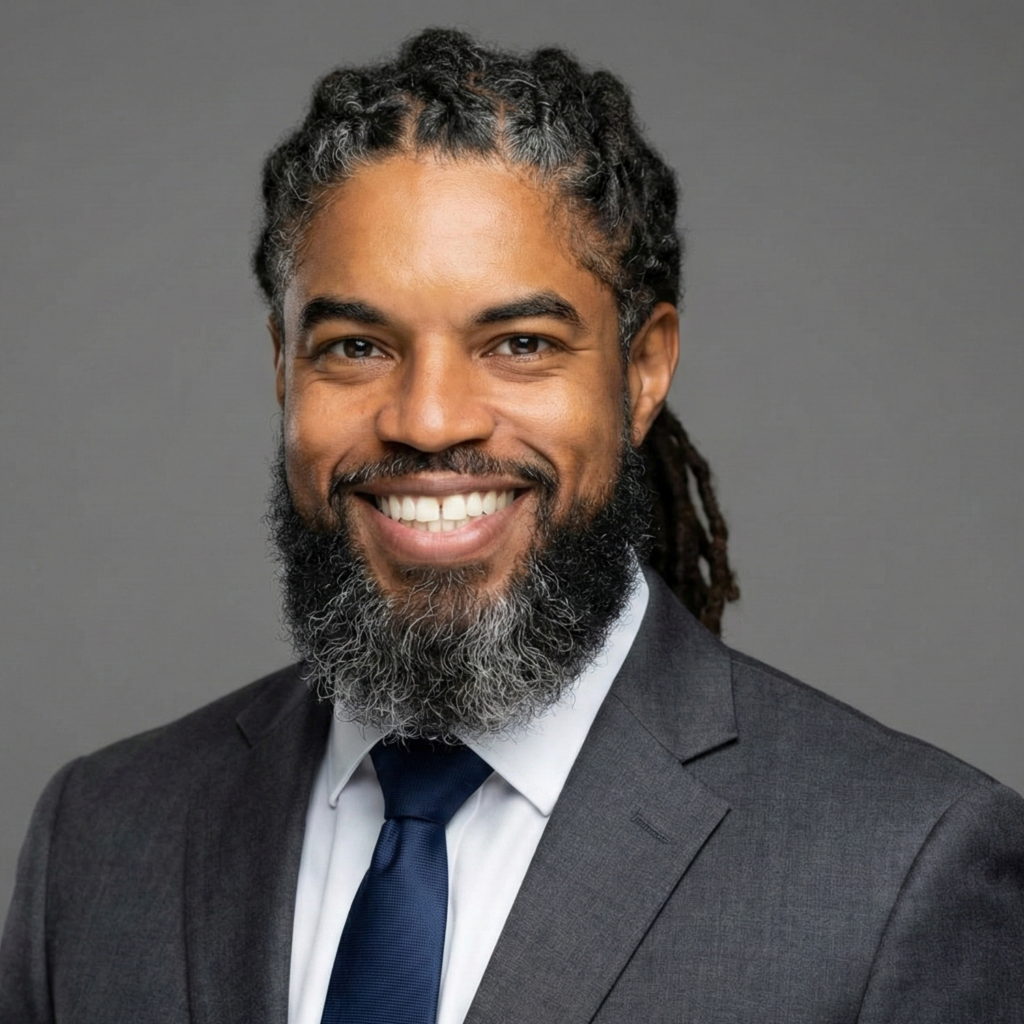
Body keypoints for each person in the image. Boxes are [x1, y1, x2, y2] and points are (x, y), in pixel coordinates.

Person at [2, 27, 1022, 1024]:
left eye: (519, 342)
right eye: (356, 345)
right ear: (281, 364)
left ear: (642, 368)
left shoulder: (902, 869)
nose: (429, 418)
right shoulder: (99, 837)